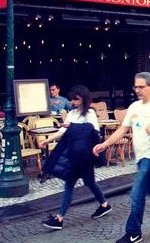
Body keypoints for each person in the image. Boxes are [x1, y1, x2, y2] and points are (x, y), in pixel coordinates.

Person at [93, 72, 150, 243]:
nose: (137, 90)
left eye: (141, 86)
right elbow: (123, 130)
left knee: (137, 194)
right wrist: (105, 144)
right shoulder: (134, 107)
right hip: (140, 157)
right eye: (135, 86)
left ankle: (133, 232)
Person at [41, 85, 111, 230]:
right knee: (90, 182)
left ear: (84, 99)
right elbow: (62, 131)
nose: (72, 102)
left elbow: (93, 131)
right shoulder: (72, 113)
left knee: (69, 184)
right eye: (72, 99)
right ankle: (104, 205)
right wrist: (47, 140)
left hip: (85, 155)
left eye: (76, 99)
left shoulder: (90, 113)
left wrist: (71, 125)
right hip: (74, 153)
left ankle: (59, 218)